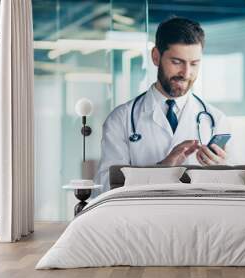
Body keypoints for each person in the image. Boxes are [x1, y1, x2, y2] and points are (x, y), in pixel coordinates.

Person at [95, 17, 233, 192]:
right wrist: (162, 168)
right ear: (155, 56)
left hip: (197, 216)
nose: (186, 73)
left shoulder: (216, 119)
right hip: (143, 216)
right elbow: (107, 186)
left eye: (194, 64)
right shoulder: (121, 119)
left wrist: (222, 171)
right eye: (177, 62)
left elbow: (235, 187)